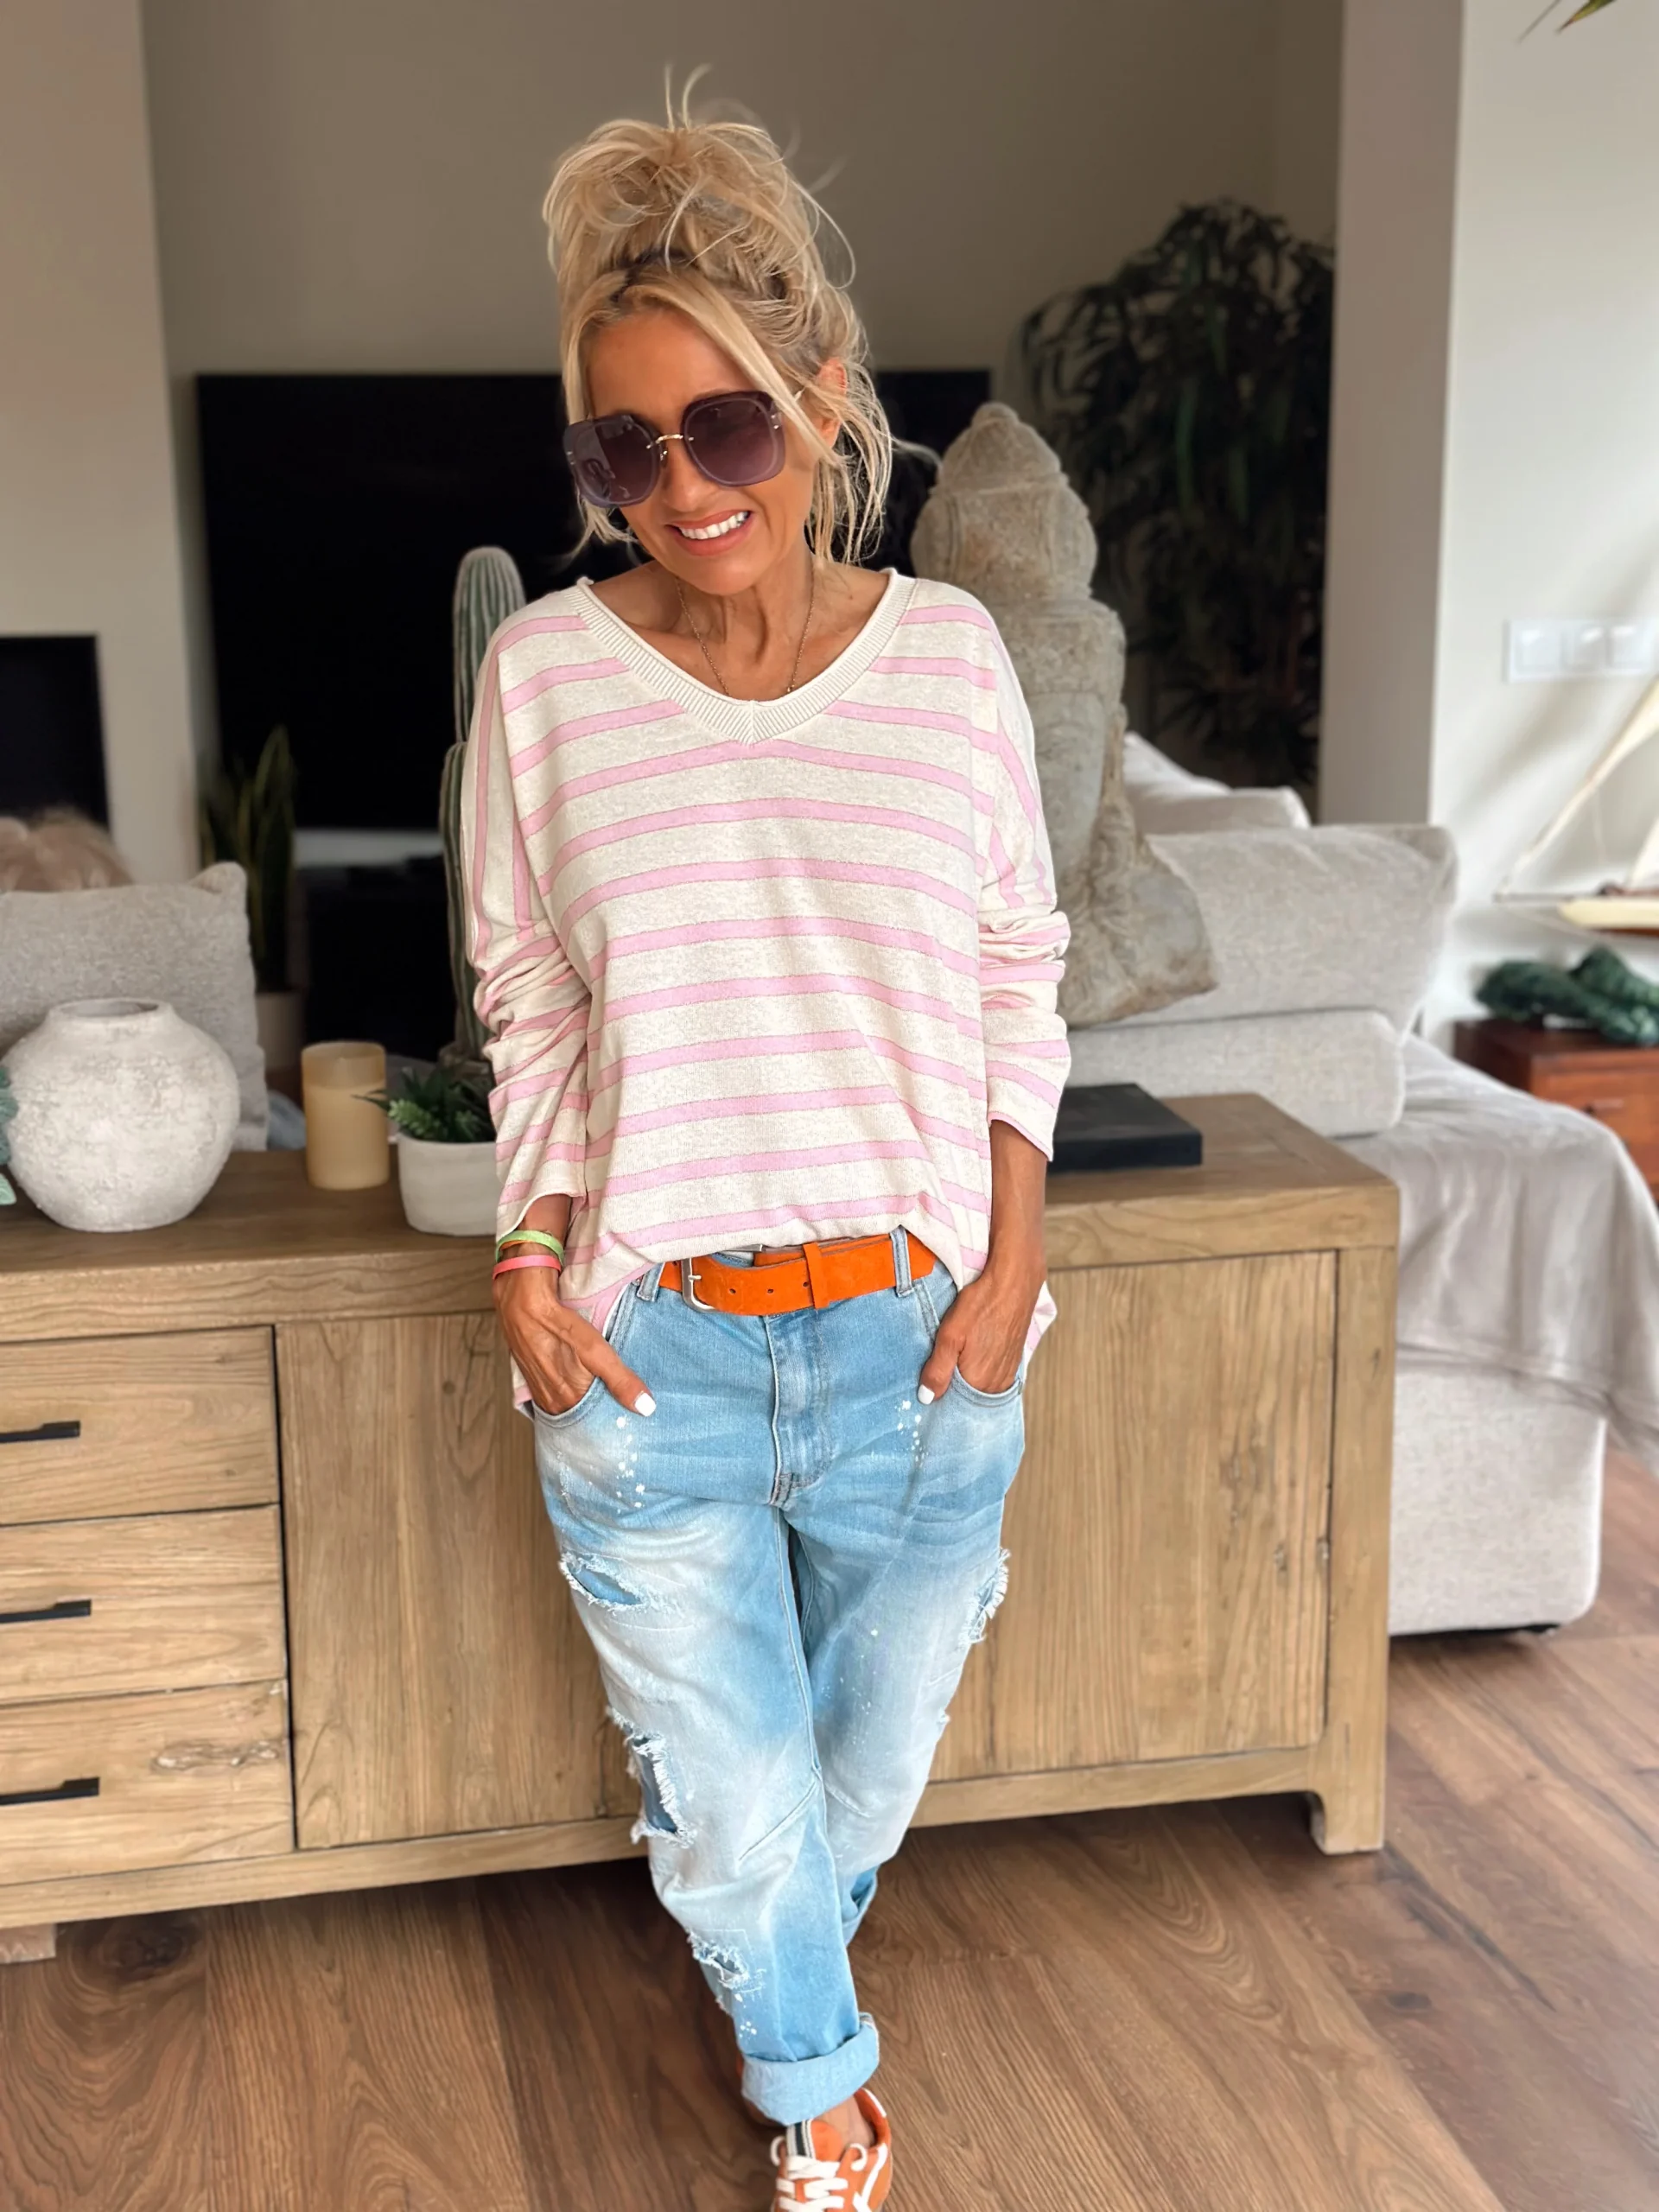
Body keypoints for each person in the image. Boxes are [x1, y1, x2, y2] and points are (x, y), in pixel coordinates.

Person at [459, 94, 1070, 2211]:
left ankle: (770, 1956)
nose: (683, 488)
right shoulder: (544, 680)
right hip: (654, 1358)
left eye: (723, 425)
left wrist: (1011, 1268)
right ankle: (819, 2100)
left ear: (821, 396)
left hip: (922, 1336)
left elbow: (1017, 976)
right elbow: (531, 997)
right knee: (736, 1808)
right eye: (624, 449)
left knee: (850, 1784)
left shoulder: (952, 665)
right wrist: (527, 1260)